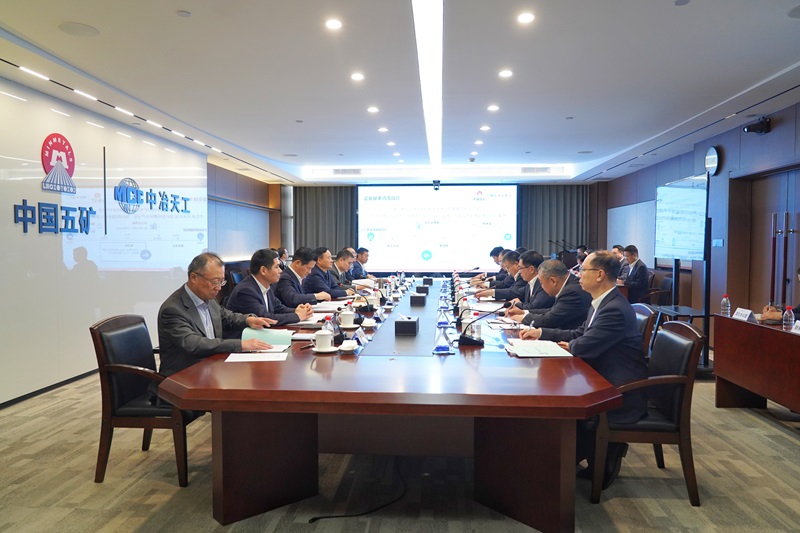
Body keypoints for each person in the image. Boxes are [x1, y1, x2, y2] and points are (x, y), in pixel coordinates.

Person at [520, 250, 648, 489]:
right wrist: (541, 333)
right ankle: (564, 456)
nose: (578, 275)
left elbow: (583, 345)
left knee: (556, 395)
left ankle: (586, 456)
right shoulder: (602, 301)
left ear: (599, 275)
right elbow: (580, 334)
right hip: (600, 376)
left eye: (583, 270)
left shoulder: (613, 308)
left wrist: (571, 344)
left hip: (618, 391)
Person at [157, 252, 276, 376]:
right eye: (214, 282)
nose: (218, 288)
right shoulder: (173, 309)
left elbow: (226, 317)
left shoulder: (209, 298)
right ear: (194, 278)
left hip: (212, 367)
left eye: (221, 282)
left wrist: (248, 320)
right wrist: (240, 344)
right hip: (184, 375)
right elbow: (193, 344)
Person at [224, 249, 314, 335]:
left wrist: (300, 310)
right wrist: (297, 316)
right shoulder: (246, 290)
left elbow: (279, 308)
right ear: (263, 270)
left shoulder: (266, 285)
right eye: (277, 267)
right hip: (242, 340)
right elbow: (265, 318)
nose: (280, 271)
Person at [505, 259, 591, 329]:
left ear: (553, 281)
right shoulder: (569, 285)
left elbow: (551, 319)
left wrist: (523, 318)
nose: (541, 287)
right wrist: (524, 312)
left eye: (541, 283)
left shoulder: (571, 292)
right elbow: (553, 310)